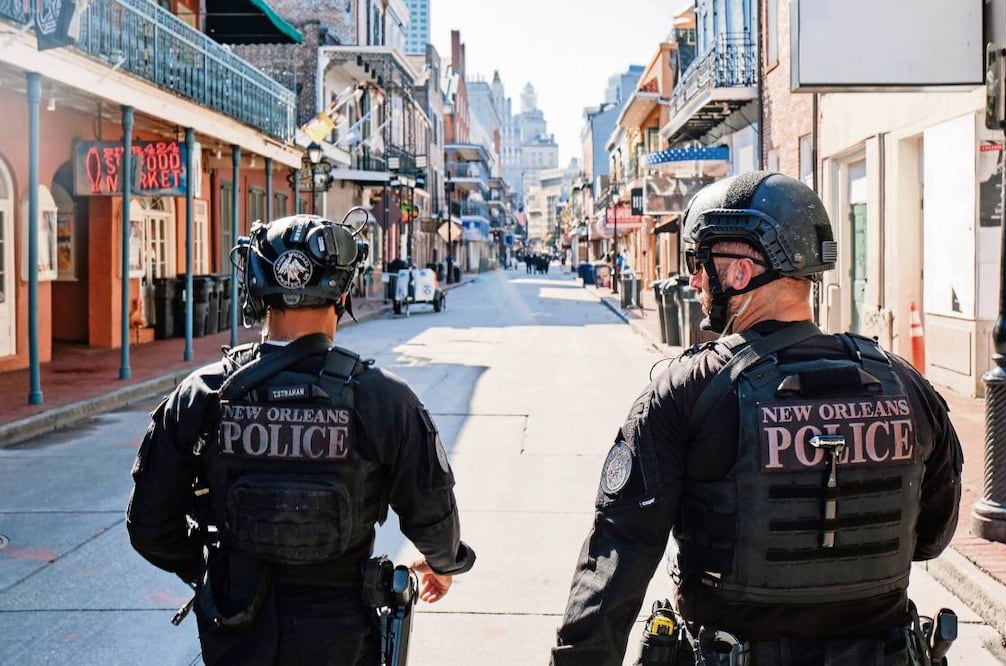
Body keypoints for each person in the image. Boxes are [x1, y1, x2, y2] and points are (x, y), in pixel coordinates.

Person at [551, 171, 962, 665]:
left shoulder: (685, 393)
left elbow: (614, 567)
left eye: (701, 262)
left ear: (741, 273)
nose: (695, 279)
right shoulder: (905, 386)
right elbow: (932, 539)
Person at [126, 213, 476, 665]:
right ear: (344, 293)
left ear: (255, 290)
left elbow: (149, 526)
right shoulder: (383, 399)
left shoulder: (202, 395)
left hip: (234, 627)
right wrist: (443, 564)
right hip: (341, 633)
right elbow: (431, 509)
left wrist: (217, 573)